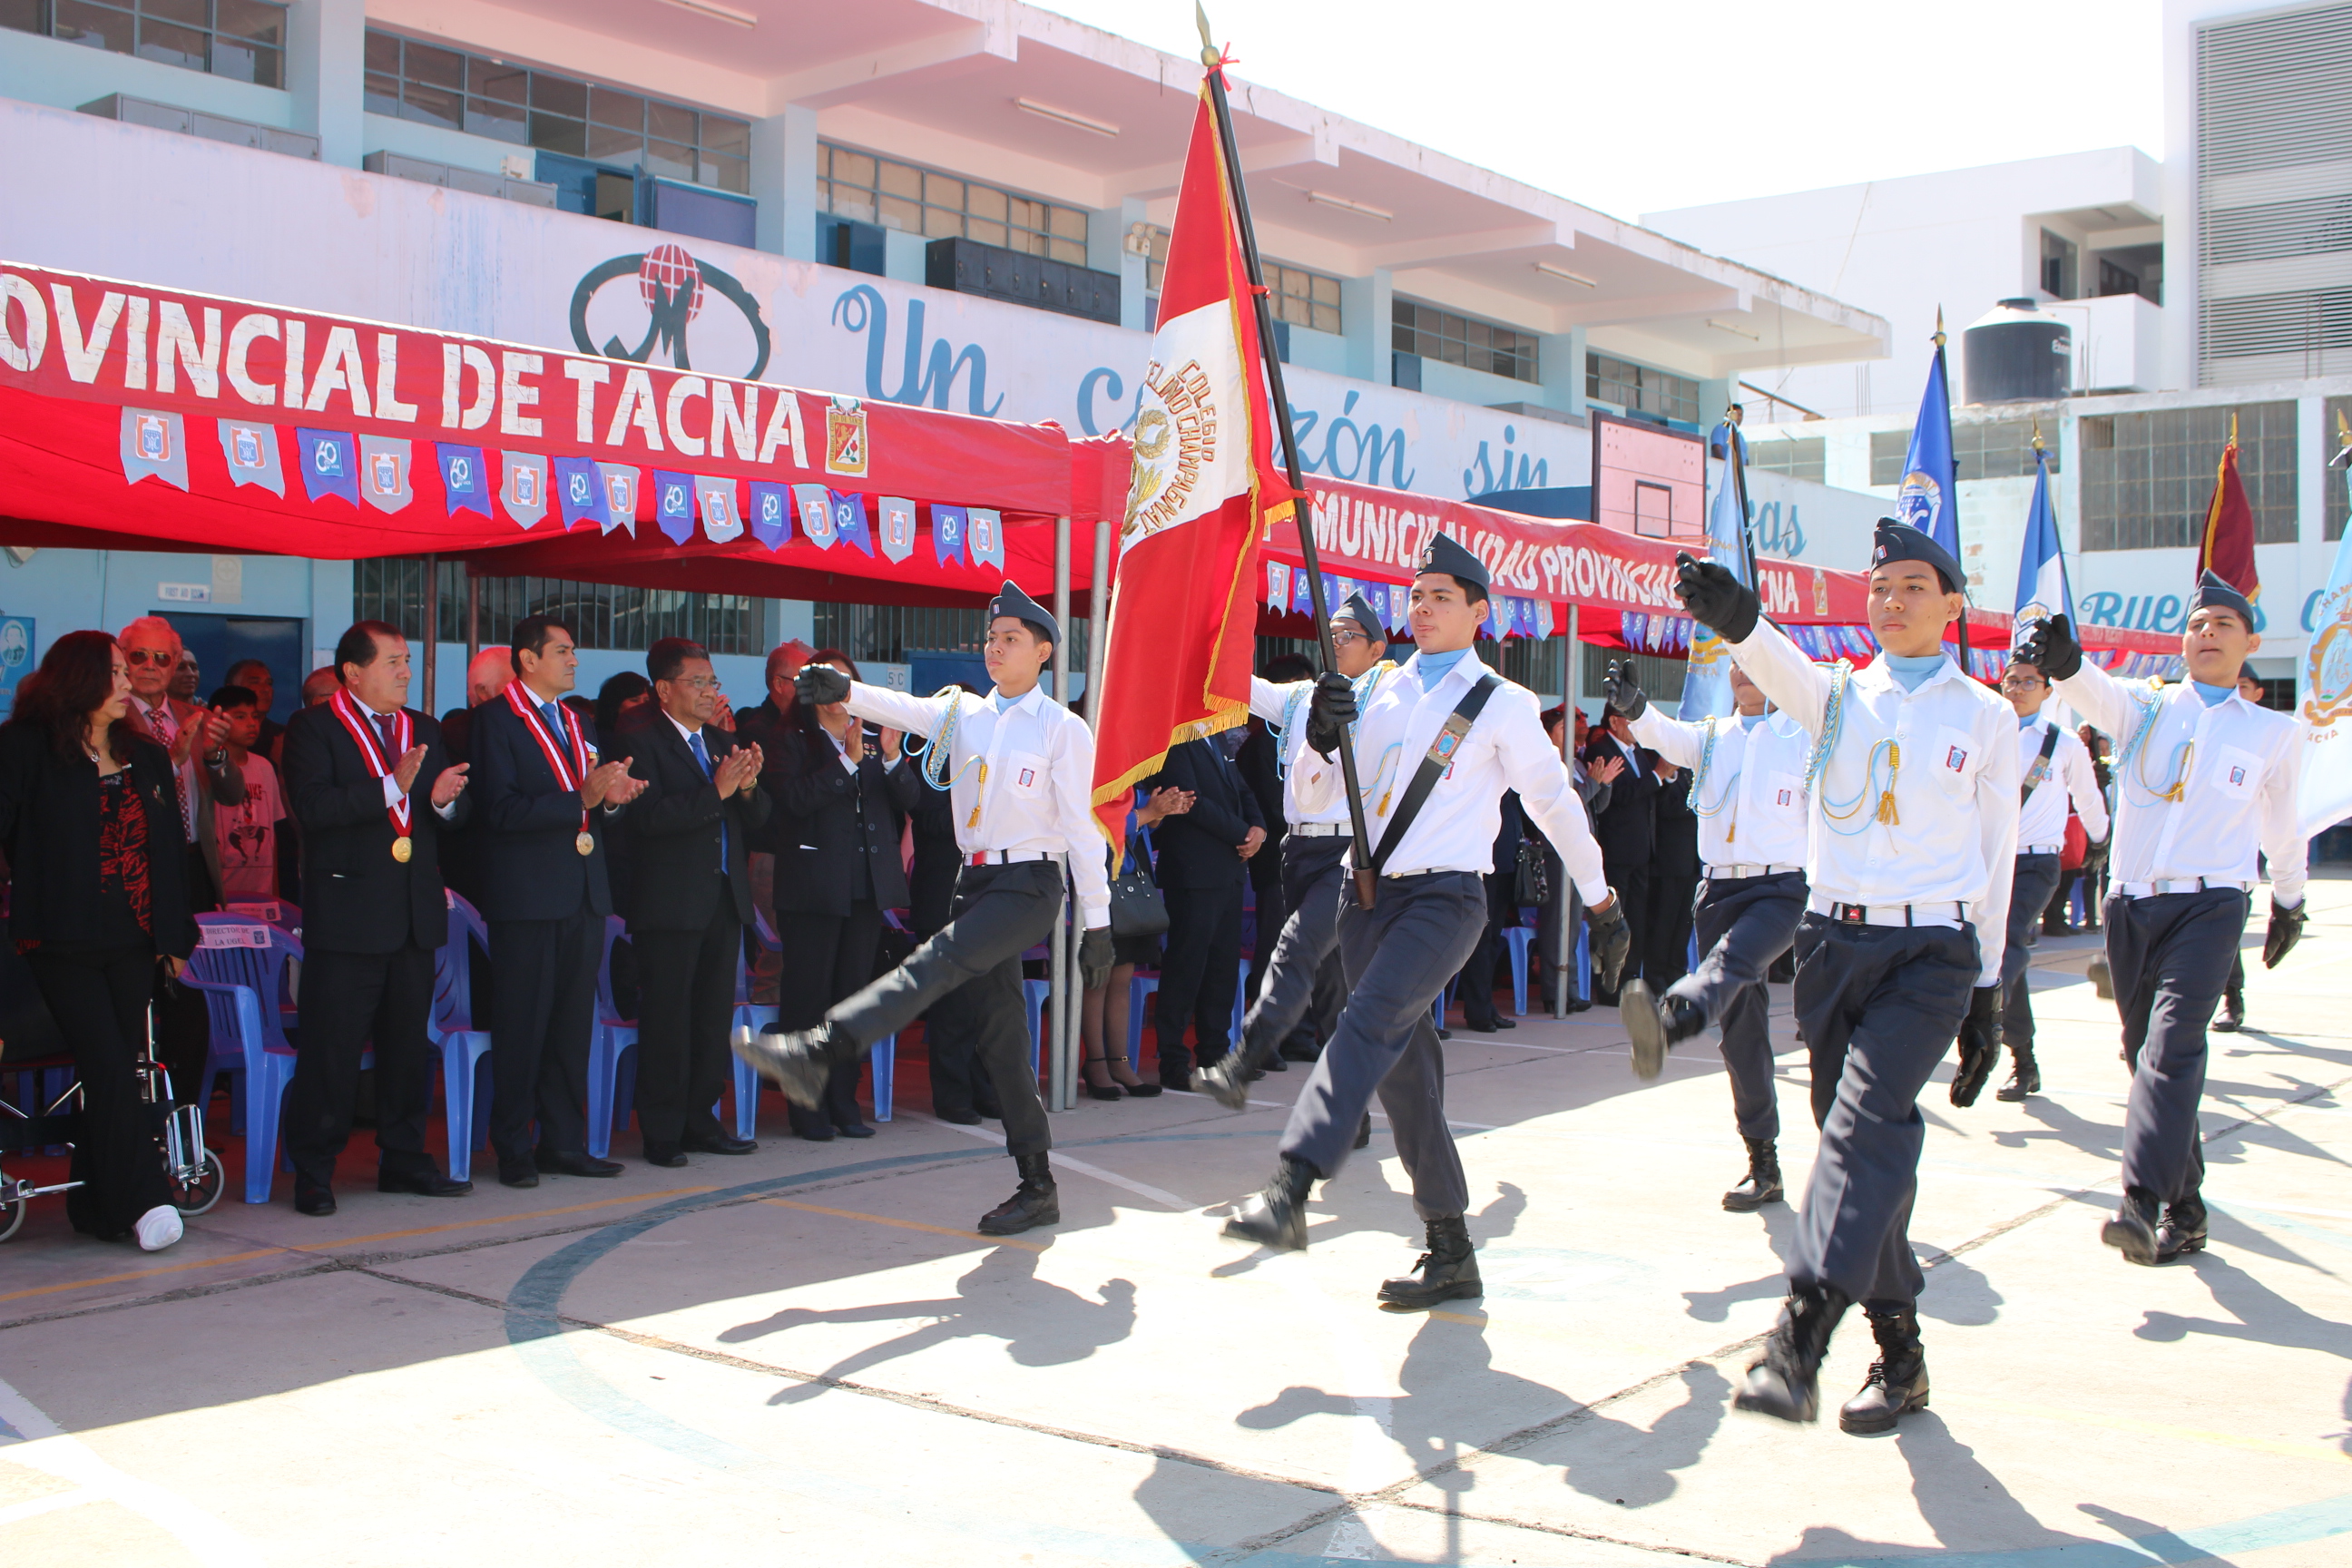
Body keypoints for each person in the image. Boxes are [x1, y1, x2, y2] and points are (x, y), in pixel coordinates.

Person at [1219, 535, 1632, 1309]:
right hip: (1365, 897)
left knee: (1364, 1022)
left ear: (1480, 612)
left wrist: (1602, 901)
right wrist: (1317, 734)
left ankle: (1291, 1184)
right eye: (1417, 595)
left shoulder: (1501, 703)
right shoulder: (1373, 690)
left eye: (1442, 595)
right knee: (1409, 1084)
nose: (1424, 607)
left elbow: (1554, 805)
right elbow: (1317, 794)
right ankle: (1450, 1248)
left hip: (1445, 900)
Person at [1677, 519, 2017, 1436]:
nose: (1893, 601)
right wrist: (1740, 617)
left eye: (1914, 586)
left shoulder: (1987, 718)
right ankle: (1902, 1356)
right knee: (1863, 1157)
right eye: (1879, 588)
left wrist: (1988, 993)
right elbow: (1777, 662)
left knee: (1860, 1133)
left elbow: (1997, 864)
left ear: (1952, 603)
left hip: (1929, 958)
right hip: (1833, 951)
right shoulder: (1832, 698)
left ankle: (1799, 1340)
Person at [736, 583, 1111, 1237]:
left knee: (933, 964)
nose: (996, 649)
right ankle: (1037, 1183)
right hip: (975, 881)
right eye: (991, 639)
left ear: (1046, 651)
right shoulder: (966, 713)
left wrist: (1099, 922)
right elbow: (902, 708)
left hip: (1029, 885)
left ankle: (818, 1051)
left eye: (1012, 640)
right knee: (1001, 1039)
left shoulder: (1063, 729)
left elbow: (1082, 830)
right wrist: (843, 691)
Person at [2016, 577, 2307, 1267]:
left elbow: (2283, 826)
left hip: (2212, 905)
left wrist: (2289, 900)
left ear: (2250, 644)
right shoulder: (2145, 707)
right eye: (2198, 622)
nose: (2208, 632)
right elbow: (2094, 692)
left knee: (2173, 1046)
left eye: (2224, 624)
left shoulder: (2274, 732)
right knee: (2147, 1056)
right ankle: (2190, 1208)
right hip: (2133, 903)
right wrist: (2064, 662)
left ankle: (2140, 1202)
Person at [0, 632, 199, 1250]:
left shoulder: (145, 753)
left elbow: (167, 851)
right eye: (114, 672)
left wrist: (173, 936)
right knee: (110, 1065)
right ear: (78, 680)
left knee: (114, 1067)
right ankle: (147, 1200)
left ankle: (96, 1206)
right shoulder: (24, 746)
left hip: (134, 940)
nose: (126, 683)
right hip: (59, 941)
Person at [279, 621, 474, 1215]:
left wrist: (440, 798)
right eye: (393, 662)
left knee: (406, 1050)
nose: (405, 672)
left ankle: (404, 1158)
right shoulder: (314, 728)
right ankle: (313, 1170)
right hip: (349, 915)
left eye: (407, 660)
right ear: (354, 672)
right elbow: (314, 809)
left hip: (412, 914)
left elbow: (449, 817)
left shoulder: (425, 728)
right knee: (331, 1050)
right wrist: (391, 786)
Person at [1613, 658, 1812, 1210]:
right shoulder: (1713, 736)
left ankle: (1672, 1019)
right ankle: (1763, 1162)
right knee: (1742, 1035)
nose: (1746, 673)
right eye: (1738, 665)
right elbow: (1666, 737)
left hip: (1781, 892)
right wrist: (1636, 709)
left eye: (1757, 663)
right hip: (1718, 891)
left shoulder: (1803, 736)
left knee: (1732, 962)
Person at [471, 614, 649, 1188]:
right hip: (527, 896)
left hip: (582, 890)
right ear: (528, 659)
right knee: (523, 1024)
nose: (574, 660)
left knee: (573, 1025)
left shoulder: (577, 721)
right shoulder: (496, 721)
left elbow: (591, 802)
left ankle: (563, 1141)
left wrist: (613, 798)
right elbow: (499, 810)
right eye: (563, 651)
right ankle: (514, 1145)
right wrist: (582, 795)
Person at [1198, 593, 1395, 1103]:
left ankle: (1245, 1057)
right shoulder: (1301, 696)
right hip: (1297, 852)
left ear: (1377, 649)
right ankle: (1350, 1111)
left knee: (1297, 947)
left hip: (1349, 853)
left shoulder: (1389, 699)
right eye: (1330, 634)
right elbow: (1238, 687)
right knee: (1333, 990)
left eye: (1348, 635)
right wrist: (1199, 631)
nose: (1336, 643)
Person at [614, 637, 768, 1167]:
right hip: (670, 901)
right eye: (697, 682)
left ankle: (702, 1121)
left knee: (709, 1019)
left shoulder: (723, 740)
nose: (709, 692)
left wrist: (747, 786)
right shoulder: (638, 740)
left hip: (724, 898)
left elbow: (759, 818)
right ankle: (661, 1130)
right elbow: (647, 818)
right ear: (664, 688)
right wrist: (717, 793)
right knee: (667, 1018)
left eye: (713, 682)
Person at [768, 647, 916, 1141]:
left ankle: (843, 1099)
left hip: (865, 884)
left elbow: (911, 802)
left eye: (849, 684)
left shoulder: (874, 741)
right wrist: (847, 766)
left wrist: (891, 757)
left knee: (851, 997)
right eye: (832, 686)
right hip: (813, 887)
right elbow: (791, 803)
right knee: (809, 998)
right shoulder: (792, 740)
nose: (842, 695)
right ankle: (806, 1105)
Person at [117, 616, 243, 1103]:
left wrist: (213, 755)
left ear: (177, 665)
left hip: (192, 868)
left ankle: (183, 1117)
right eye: (138, 656)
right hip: (133, 873)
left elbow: (231, 793)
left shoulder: (192, 713)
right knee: (134, 1000)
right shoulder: (107, 716)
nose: (150, 667)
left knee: (193, 1001)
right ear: (123, 660)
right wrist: (170, 756)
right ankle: (134, 1117)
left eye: (161, 658)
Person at [1993, 654, 2111, 1100]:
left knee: (2006, 946)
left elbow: (2088, 794)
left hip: (2034, 863)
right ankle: (2024, 1059)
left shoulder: (2061, 744)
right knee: (1988, 952)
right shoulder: (1985, 731)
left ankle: (1992, 1030)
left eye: (2029, 682)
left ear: (2047, 691)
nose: (2018, 688)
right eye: (2011, 680)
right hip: (1986, 861)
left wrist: (2099, 841)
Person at [1140, 729, 1265, 1088]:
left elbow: (1241, 788)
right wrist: (1242, 833)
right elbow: (1190, 801)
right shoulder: (1176, 739)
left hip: (1228, 870)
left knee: (1222, 968)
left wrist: (1258, 828)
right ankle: (1173, 1058)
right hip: (1193, 871)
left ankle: (1215, 1053)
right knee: (1186, 965)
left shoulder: (1216, 739)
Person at [1080, 786, 1183, 1100]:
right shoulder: (1087, 767)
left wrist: (1159, 812)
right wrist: (1147, 814)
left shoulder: (1126, 777)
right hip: (1094, 883)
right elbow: (1093, 821)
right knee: (1097, 980)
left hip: (1128, 885)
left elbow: (1141, 817)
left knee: (1122, 980)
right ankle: (1096, 1063)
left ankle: (1120, 1062)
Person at [1582, 697, 1660, 1001]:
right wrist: (1656, 777)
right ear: (1615, 721)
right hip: (1616, 850)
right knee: (1614, 922)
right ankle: (1607, 986)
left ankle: (1629, 979)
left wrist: (1656, 776)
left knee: (1637, 918)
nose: (1635, 727)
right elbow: (1618, 797)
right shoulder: (1601, 751)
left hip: (1641, 850)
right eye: (1630, 719)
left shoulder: (1638, 752)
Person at [2214, 662, 2271, 1031]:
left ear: (2258, 693)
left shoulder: (2270, 735)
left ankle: (2232, 998)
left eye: (2245, 685)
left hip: (2238, 861)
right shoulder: (2204, 728)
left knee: (2224, 938)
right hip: (2191, 858)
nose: (2236, 691)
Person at [205, 684, 289, 904]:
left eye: (255, 716)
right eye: (240, 717)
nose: (252, 724)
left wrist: (275, 893)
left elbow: (273, 836)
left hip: (261, 890)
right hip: (223, 890)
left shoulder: (264, 767)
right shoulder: (206, 768)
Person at [223, 658, 284, 762]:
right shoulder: (217, 734)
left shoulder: (283, 736)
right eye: (255, 682)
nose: (266, 689)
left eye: (269, 683)